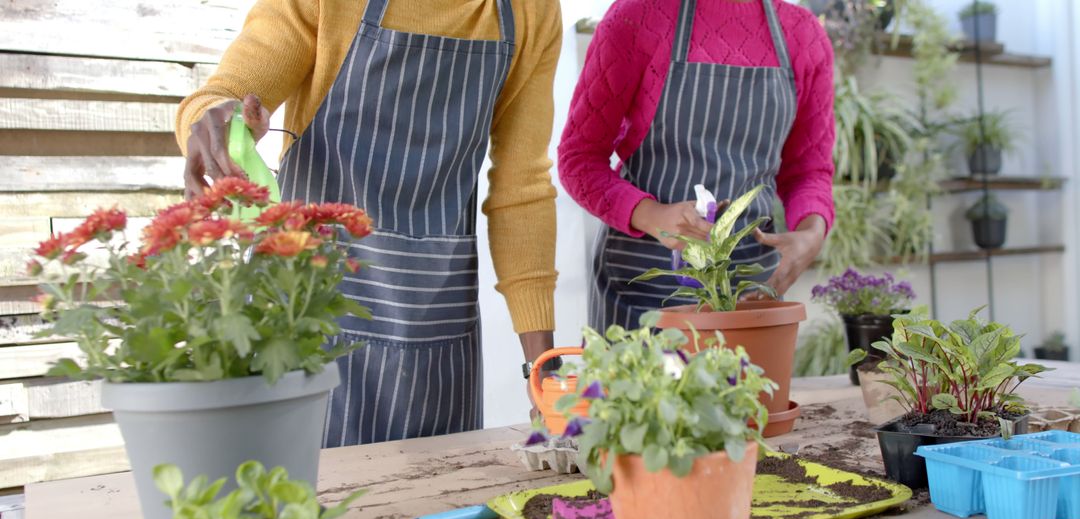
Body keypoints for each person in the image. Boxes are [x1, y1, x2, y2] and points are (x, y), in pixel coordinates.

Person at [176, 0, 563, 447]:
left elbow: (522, 189)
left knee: (441, 505)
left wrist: (544, 371)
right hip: (307, 315)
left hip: (435, 331)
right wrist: (211, 119)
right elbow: (228, 92)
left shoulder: (532, 11)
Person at [559, 0, 835, 331]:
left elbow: (808, 170)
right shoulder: (637, 16)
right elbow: (578, 159)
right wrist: (653, 215)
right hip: (641, 298)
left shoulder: (802, 35)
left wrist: (811, 233)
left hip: (750, 299)